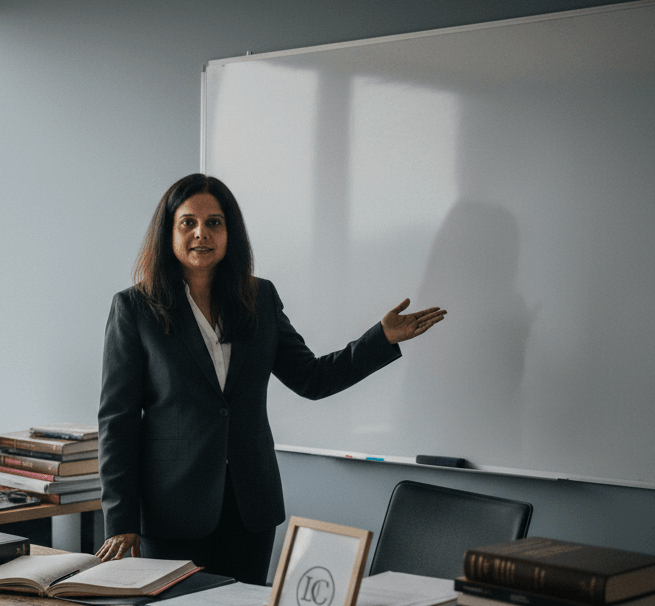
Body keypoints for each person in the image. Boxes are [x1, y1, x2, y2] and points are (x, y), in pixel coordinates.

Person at [95, 174, 445, 584]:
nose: (201, 233)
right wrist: (121, 519)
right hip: (171, 511)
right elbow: (116, 423)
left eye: (215, 222)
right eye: (188, 222)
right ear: (168, 232)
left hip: (250, 508)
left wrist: (380, 339)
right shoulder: (135, 309)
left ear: (231, 233)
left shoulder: (259, 298)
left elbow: (312, 378)